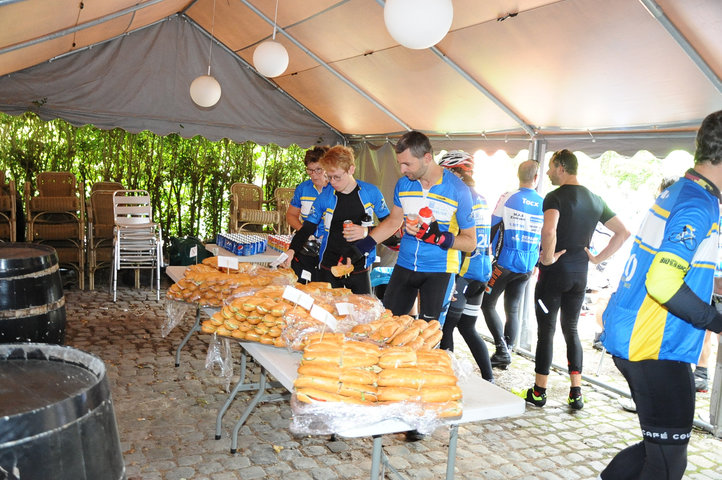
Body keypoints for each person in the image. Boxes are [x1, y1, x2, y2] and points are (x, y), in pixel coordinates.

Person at [599, 110, 722, 479]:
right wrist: (717, 322)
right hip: (650, 343)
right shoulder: (698, 204)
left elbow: (683, 268)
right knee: (669, 463)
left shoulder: (684, 190)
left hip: (643, 336)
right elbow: (663, 282)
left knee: (661, 447)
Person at [516, 149, 630, 410]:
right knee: (572, 330)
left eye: (551, 167)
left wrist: (546, 258)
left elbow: (549, 230)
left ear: (561, 167)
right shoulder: (595, 199)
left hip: (555, 274)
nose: (547, 172)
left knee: (546, 331)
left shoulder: (555, 196)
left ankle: (539, 391)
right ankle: (576, 392)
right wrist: (598, 258)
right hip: (581, 274)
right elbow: (623, 232)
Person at [352, 131, 477, 325]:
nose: (402, 169)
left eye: (407, 164)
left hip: (439, 270)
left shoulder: (458, 190)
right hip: (405, 265)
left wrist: (440, 238)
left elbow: (471, 243)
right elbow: (393, 222)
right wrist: (360, 248)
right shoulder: (404, 184)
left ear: (427, 158)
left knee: (429, 336)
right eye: (400, 163)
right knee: (387, 327)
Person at [282, 145, 390, 294]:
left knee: (362, 313)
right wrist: (292, 250)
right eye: (329, 177)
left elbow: (391, 229)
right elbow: (307, 228)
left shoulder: (371, 193)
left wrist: (366, 231)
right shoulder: (325, 197)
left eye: (337, 177)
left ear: (351, 169)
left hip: (358, 265)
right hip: (329, 264)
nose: (332, 182)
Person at [437, 151, 494, 382]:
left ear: (453, 172)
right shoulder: (481, 197)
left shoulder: (459, 196)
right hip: (482, 272)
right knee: (468, 328)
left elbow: (457, 237)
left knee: (446, 328)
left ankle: (446, 380)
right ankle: (489, 377)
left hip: (463, 272)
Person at [482, 160, 544, 369]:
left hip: (505, 262)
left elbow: (492, 225)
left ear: (519, 175)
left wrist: (485, 253)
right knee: (513, 309)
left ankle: (502, 349)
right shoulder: (544, 202)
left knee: (487, 304)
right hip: (528, 265)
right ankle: (506, 352)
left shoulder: (508, 197)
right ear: (536, 178)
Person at [286, 146, 330, 283]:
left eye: (318, 170)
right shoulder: (303, 188)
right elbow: (291, 215)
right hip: (305, 246)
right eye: (310, 170)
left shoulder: (336, 189)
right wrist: (303, 231)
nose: (314, 175)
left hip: (328, 249)